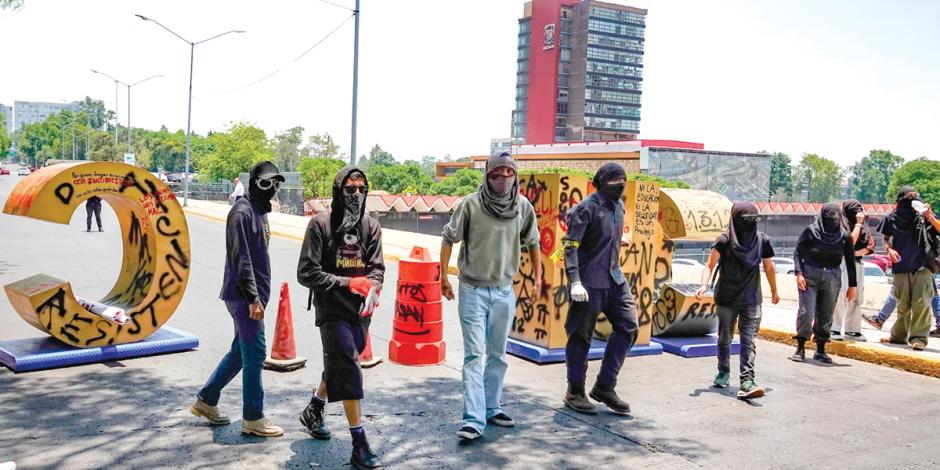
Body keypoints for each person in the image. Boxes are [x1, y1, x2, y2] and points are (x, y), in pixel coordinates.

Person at [440, 151, 540, 441]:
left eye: (509, 172)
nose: (503, 177)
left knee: (498, 355)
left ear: (516, 175)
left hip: (504, 291)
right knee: (474, 355)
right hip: (472, 289)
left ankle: (491, 407)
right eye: (497, 172)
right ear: (487, 174)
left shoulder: (523, 207)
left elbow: (533, 243)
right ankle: (473, 419)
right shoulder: (471, 204)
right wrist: (442, 277)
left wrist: (537, 280)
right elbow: (448, 237)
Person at [298, 167, 385, 469]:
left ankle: (314, 408)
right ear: (339, 192)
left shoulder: (371, 227)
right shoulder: (319, 225)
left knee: (341, 363)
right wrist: (348, 283)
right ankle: (359, 443)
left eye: (362, 189)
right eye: (350, 189)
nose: (357, 194)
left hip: (359, 313)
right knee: (348, 366)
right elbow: (306, 273)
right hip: (331, 308)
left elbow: (377, 269)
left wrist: (373, 288)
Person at [191, 161, 285, 437]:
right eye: (266, 182)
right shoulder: (241, 213)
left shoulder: (259, 211)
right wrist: (254, 298)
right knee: (255, 355)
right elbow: (240, 258)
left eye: (276, 183)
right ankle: (253, 418)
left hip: (251, 296)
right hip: (244, 297)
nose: (271, 188)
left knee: (239, 352)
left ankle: (206, 400)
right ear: (253, 182)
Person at [561, 163, 637, 416]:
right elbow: (570, 247)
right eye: (615, 182)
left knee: (628, 327)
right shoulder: (584, 210)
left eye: (623, 181)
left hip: (614, 279)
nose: (620, 186)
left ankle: (605, 386)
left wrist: (617, 239)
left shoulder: (619, 207)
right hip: (589, 281)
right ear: (601, 182)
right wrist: (575, 281)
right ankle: (575, 391)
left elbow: (608, 234)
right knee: (580, 335)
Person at [695, 202, 779, 399]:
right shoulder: (723, 241)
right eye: (745, 221)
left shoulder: (761, 240)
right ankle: (723, 371)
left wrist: (774, 291)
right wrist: (703, 285)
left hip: (751, 299)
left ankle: (747, 380)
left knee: (749, 340)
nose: (749, 225)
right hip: (727, 298)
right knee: (725, 338)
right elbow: (709, 264)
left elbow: (769, 267)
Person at [790, 203, 857, 363]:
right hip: (809, 274)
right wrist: (799, 273)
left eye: (835, 216)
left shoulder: (844, 236)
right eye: (829, 216)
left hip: (833, 276)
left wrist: (852, 285)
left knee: (826, 314)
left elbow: (850, 260)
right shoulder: (811, 231)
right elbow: (798, 251)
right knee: (807, 312)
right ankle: (800, 346)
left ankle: (820, 349)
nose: (832, 219)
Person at [875, 186, 940, 351]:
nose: (913, 201)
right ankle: (898, 337)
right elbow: (886, 238)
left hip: (923, 265)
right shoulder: (892, 218)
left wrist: (930, 217)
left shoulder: (923, 216)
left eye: (915, 197)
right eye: (909, 198)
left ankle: (918, 338)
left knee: (921, 303)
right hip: (901, 265)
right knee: (902, 304)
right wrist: (889, 250)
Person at [831, 200, 875, 341]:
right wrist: (857, 224)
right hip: (842, 263)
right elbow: (850, 241)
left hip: (856, 263)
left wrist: (853, 254)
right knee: (841, 294)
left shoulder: (864, 227)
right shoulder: (841, 224)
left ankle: (853, 330)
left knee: (856, 297)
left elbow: (869, 246)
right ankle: (835, 328)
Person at [863, 283, 940, 337]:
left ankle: (880, 319)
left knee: (896, 290)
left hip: (914, 266)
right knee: (933, 294)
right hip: (926, 266)